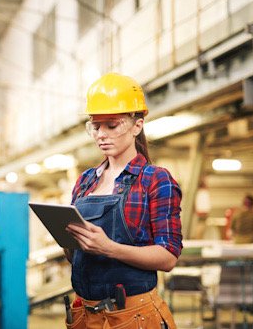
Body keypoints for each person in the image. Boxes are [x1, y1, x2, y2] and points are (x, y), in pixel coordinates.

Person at [63, 73, 183, 329]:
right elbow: (76, 258)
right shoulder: (85, 181)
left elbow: (168, 257)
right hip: (85, 315)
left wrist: (109, 248)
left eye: (112, 125)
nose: (101, 135)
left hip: (134, 316)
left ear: (136, 126)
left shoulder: (155, 180)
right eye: (95, 126)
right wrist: (68, 240)